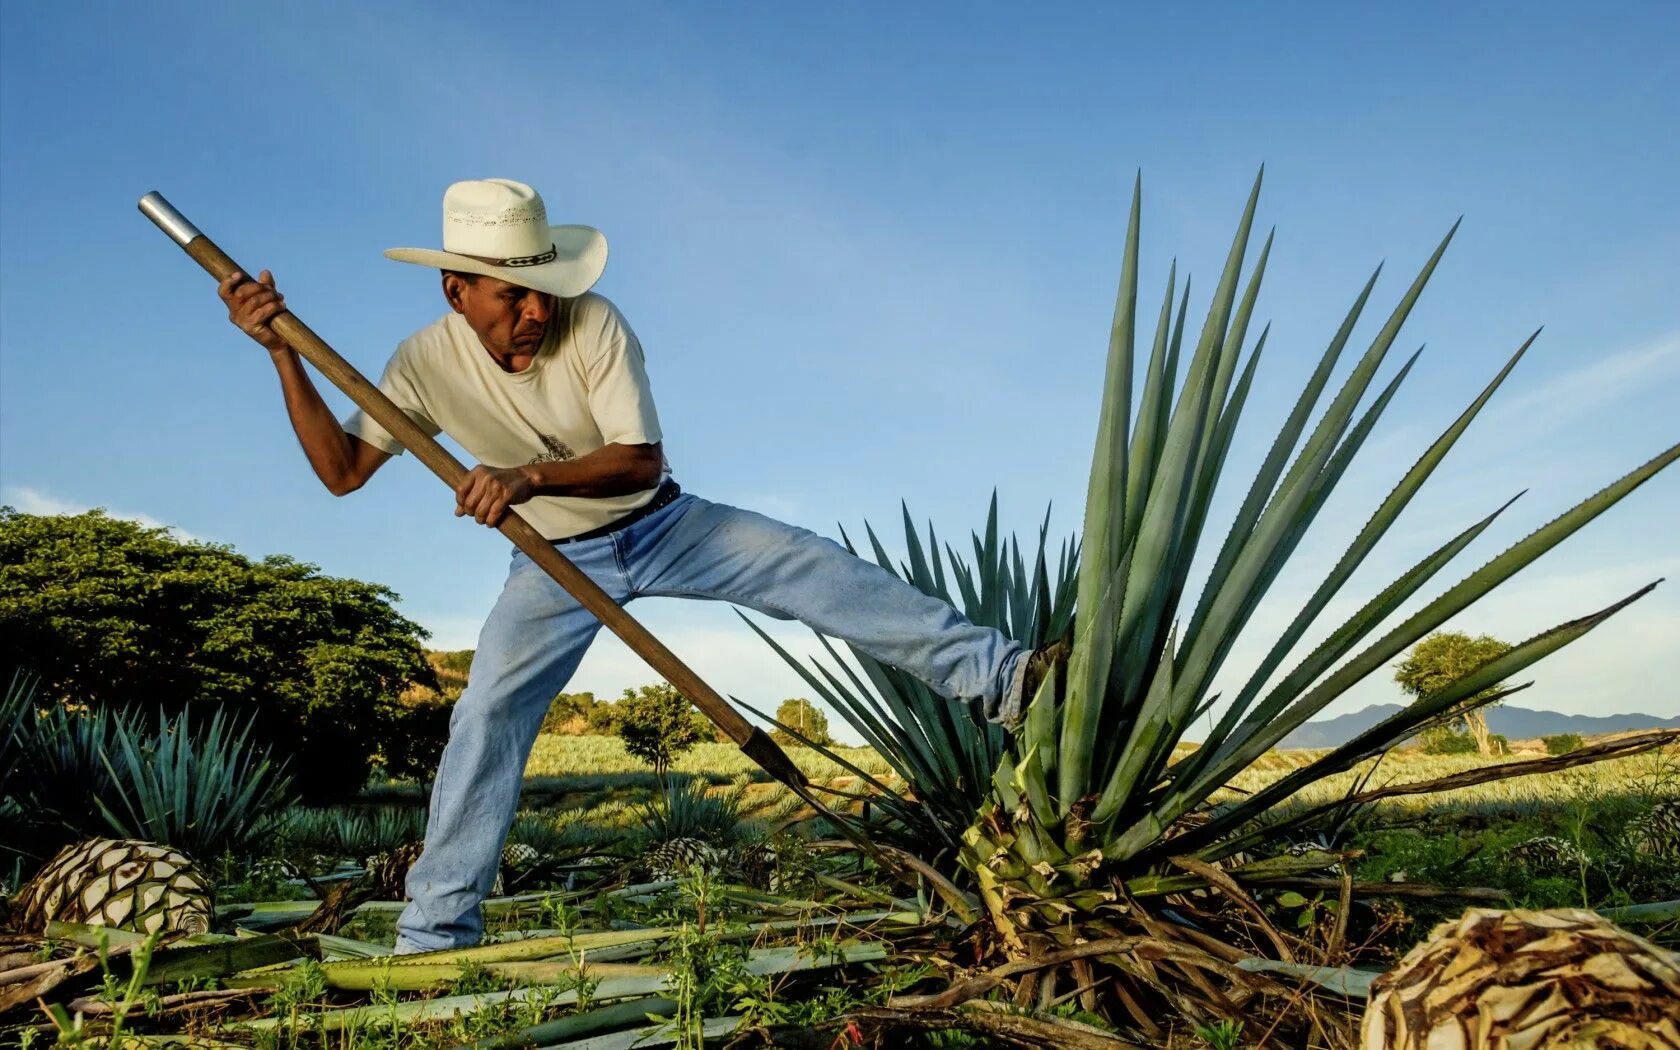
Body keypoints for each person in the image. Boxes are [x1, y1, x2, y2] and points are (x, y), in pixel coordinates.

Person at [219, 178, 1051, 954]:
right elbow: (341, 472)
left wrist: (524, 477)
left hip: (660, 524)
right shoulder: (420, 367)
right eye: (512, 293)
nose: (538, 309)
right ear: (456, 291)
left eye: (543, 285)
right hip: (550, 561)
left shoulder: (597, 323)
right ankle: (435, 931)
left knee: (808, 565)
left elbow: (639, 462)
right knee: (485, 716)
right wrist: (279, 354)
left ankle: (1006, 680)